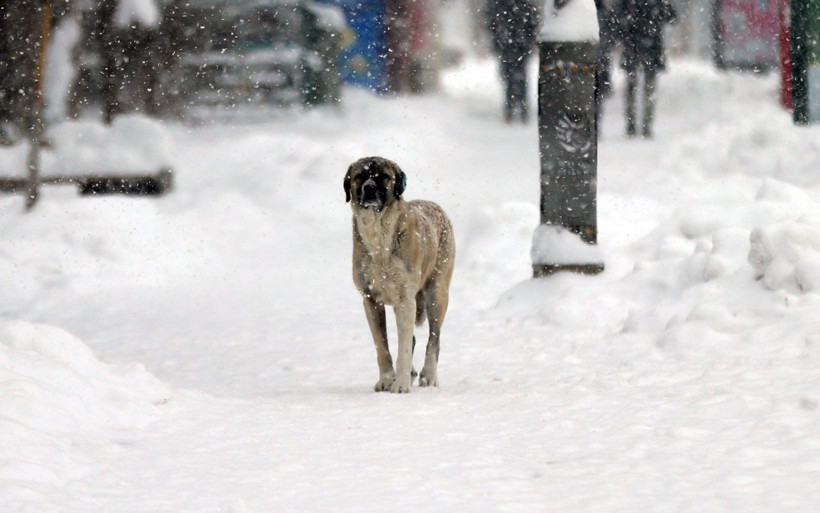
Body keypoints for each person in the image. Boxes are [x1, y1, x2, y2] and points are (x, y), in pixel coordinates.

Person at [614, 0, 676, 138]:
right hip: (643, 45)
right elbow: (671, 17)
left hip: (639, 45)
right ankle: (640, 125)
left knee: (639, 87)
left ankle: (639, 124)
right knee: (642, 87)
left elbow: (671, 16)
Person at [486, 0, 539, 123]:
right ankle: (520, 108)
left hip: (508, 45)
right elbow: (533, 22)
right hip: (519, 45)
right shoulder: (523, 5)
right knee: (519, 77)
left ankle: (511, 108)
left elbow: (491, 22)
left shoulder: (499, 5)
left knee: (510, 77)